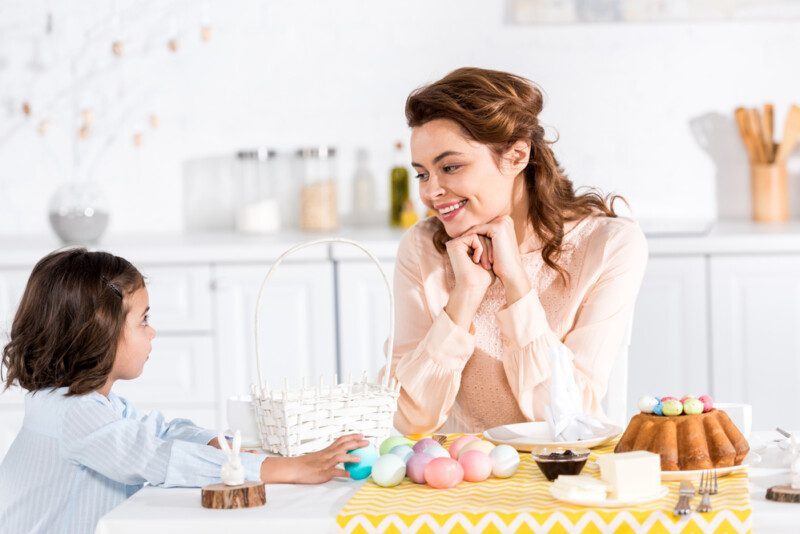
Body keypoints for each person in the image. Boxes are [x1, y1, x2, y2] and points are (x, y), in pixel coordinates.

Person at [0, 248, 366, 534]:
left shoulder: (87, 404)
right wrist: (288, 469)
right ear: (101, 329)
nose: (152, 332)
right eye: (143, 320)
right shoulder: (72, 415)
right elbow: (158, 457)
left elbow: (160, 432)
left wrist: (224, 447)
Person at [389, 67, 648, 435]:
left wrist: (516, 284)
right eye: (423, 174)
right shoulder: (423, 248)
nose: (431, 193)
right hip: (459, 479)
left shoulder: (607, 246)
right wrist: (464, 296)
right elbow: (410, 419)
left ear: (516, 155)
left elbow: (568, 418)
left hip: (563, 475)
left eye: (450, 167)